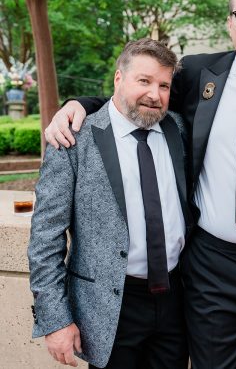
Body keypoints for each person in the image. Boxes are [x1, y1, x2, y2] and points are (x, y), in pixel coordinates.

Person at [43, 0, 236, 369]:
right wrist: (78, 104)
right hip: (211, 265)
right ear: (230, 24)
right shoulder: (198, 73)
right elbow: (140, 98)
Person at [28, 39, 192, 368]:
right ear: (119, 78)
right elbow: (46, 236)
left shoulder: (177, 128)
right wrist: (55, 319)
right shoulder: (73, 139)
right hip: (109, 307)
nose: (154, 94)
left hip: (176, 302)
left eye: (164, 85)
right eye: (144, 81)